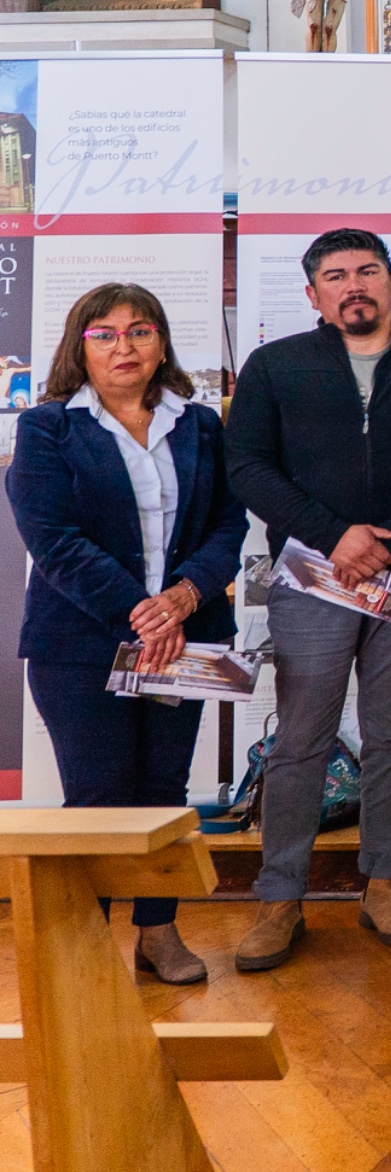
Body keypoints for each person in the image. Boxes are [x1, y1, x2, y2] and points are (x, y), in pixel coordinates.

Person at [226, 229, 391, 971]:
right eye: (335, 276)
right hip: (314, 577)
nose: (353, 285)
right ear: (313, 295)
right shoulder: (275, 366)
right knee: (301, 737)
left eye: (367, 270)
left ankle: (385, 882)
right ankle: (279, 899)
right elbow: (247, 465)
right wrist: (336, 535)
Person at [5, 285, 246, 986]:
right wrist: (142, 612)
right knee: (99, 795)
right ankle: (85, 944)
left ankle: (157, 932)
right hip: (80, 646)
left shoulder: (200, 425)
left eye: (139, 331)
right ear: (79, 345)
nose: (124, 346)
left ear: (162, 342)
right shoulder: (48, 427)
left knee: (164, 789)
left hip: (184, 640)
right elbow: (53, 539)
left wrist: (181, 598)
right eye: (104, 334)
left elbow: (229, 523)